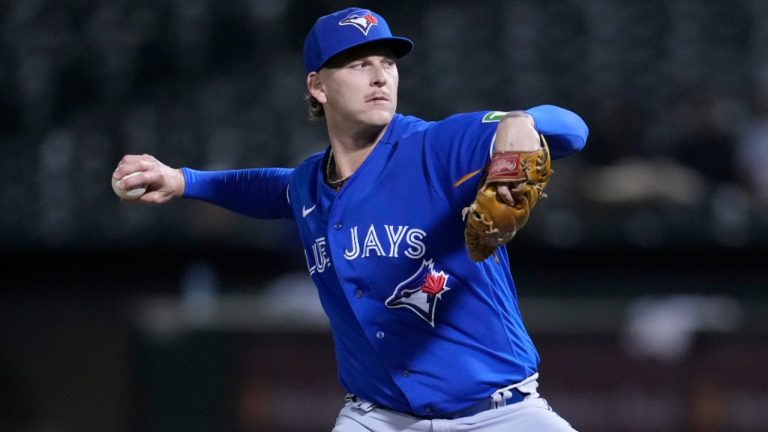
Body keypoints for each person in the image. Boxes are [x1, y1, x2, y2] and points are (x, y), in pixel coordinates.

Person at [112, 7, 588, 431]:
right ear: (317, 86)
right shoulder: (308, 186)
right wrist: (183, 180)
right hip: (377, 417)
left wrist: (523, 120)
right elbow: (267, 187)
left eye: (388, 63)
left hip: (500, 413)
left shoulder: (436, 147)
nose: (380, 77)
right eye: (360, 64)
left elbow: (573, 131)